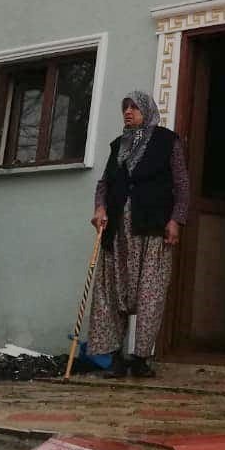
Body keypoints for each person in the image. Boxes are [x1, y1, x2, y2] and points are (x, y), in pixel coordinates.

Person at [88, 91, 189, 379]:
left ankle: (141, 358)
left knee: (150, 294)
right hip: (118, 232)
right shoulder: (118, 144)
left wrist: (176, 220)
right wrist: (99, 208)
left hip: (152, 230)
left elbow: (182, 184)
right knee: (111, 293)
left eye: (134, 107)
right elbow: (104, 184)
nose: (128, 112)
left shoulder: (167, 141)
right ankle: (114, 358)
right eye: (125, 107)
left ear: (147, 110)